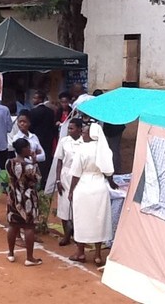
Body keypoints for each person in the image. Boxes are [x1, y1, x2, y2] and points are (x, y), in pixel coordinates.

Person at [68, 123, 118, 266]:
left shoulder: (83, 149)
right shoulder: (105, 149)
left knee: (81, 219)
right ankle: (97, 255)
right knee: (99, 220)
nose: (82, 135)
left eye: (84, 133)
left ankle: (81, 252)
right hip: (100, 186)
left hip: (84, 186)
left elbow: (76, 172)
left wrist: (71, 190)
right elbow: (109, 172)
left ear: (91, 135)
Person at [5, 138, 43, 266]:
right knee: (29, 226)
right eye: (28, 147)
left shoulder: (9, 162)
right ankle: (29, 257)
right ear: (24, 149)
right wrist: (34, 161)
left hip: (13, 197)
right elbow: (37, 178)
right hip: (27, 198)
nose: (30, 150)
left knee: (13, 224)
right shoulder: (28, 166)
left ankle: (10, 253)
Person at [54, 118, 84, 246]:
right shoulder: (64, 141)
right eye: (69, 128)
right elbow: (59, 161)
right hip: (65, 176)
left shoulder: (85, 143)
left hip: (79, 177)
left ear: (79, 129)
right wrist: (58, 180)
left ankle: (78, 235)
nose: (69, 131)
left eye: (72, 128)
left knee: (78, 206)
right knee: (64, 206)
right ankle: (66, 234)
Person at [28, 90, 56, 189]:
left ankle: (36, 182)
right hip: (48, 140)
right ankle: (44, 182)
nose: (33, 100)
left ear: (40, 99)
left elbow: (30, 127)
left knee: (36, 160)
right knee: (46, 160)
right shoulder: (51, 112)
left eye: (35, 98)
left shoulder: (33, 112)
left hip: (36, 140)